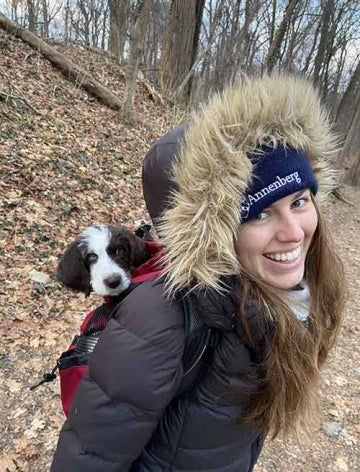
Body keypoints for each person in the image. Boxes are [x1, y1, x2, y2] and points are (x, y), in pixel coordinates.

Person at [51, 75, 345, 471]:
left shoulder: (279, 299)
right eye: (259, 212)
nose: (294, 233)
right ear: (217, 230)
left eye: (300, 201)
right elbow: (87, 458)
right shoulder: (162, 319)